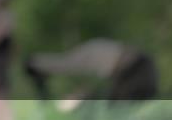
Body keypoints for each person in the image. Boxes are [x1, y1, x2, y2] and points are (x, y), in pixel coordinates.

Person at [24, 38, 157, 111]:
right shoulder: (141, 81)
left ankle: (35, 64)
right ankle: (35, 64)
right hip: (118, 63)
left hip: (125, 64)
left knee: (68, 64)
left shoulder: (143, 77)